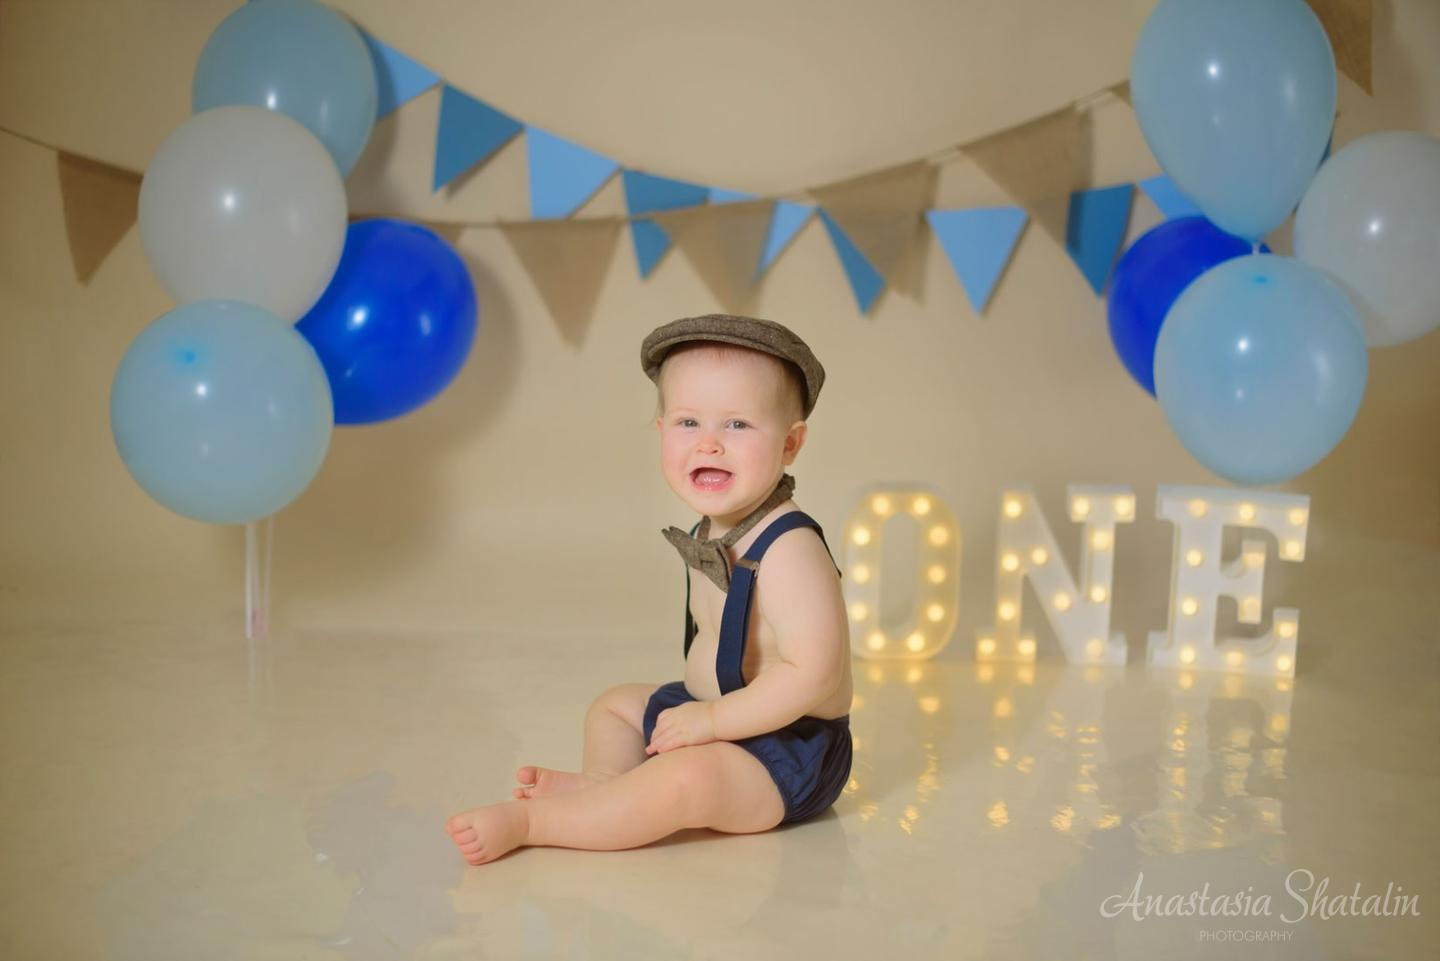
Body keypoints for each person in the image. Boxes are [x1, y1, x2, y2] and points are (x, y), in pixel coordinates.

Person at [445, 313, 854, 866]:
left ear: (790, 444)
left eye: (737, 425)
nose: (709, 444)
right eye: (688, 423)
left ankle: (536, 822)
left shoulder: (790, 548)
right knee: (614, 708)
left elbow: (815, 675)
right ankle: (603, 786)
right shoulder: (712, 528)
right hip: (710, 711)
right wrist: (703, 715)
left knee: (687, 779)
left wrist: (711, 724)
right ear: (661, 431)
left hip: (788, 747)